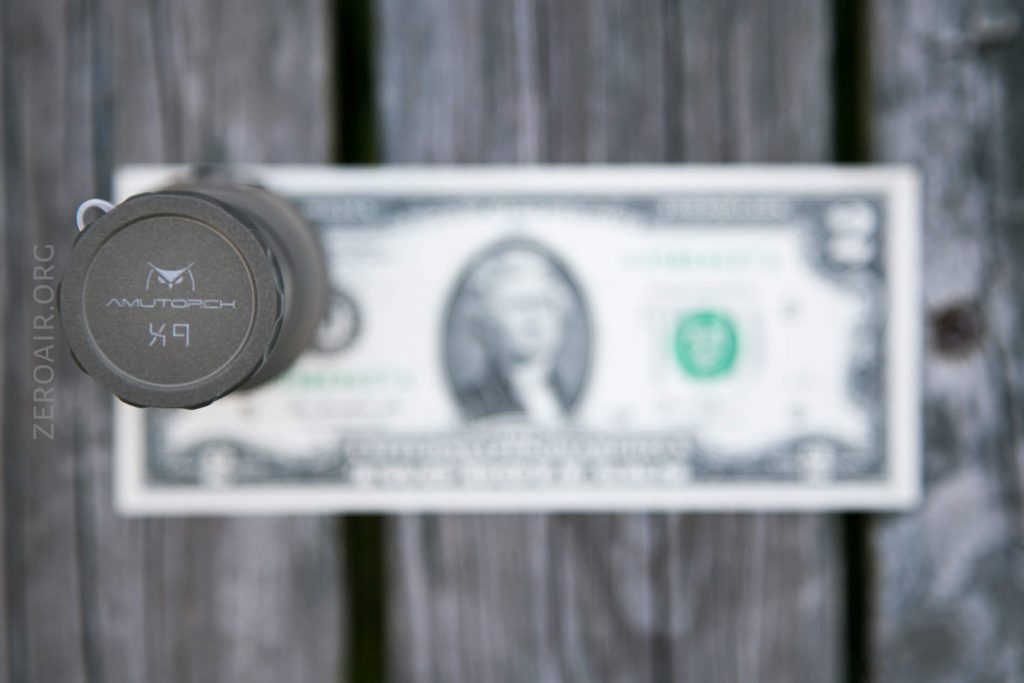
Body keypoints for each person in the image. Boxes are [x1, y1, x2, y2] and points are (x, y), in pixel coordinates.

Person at [458, 247, 574, 423]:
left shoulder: (568, 396)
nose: (533, 316)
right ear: (488, 321)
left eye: (543, 303)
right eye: (518, 305)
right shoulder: (471, 406)